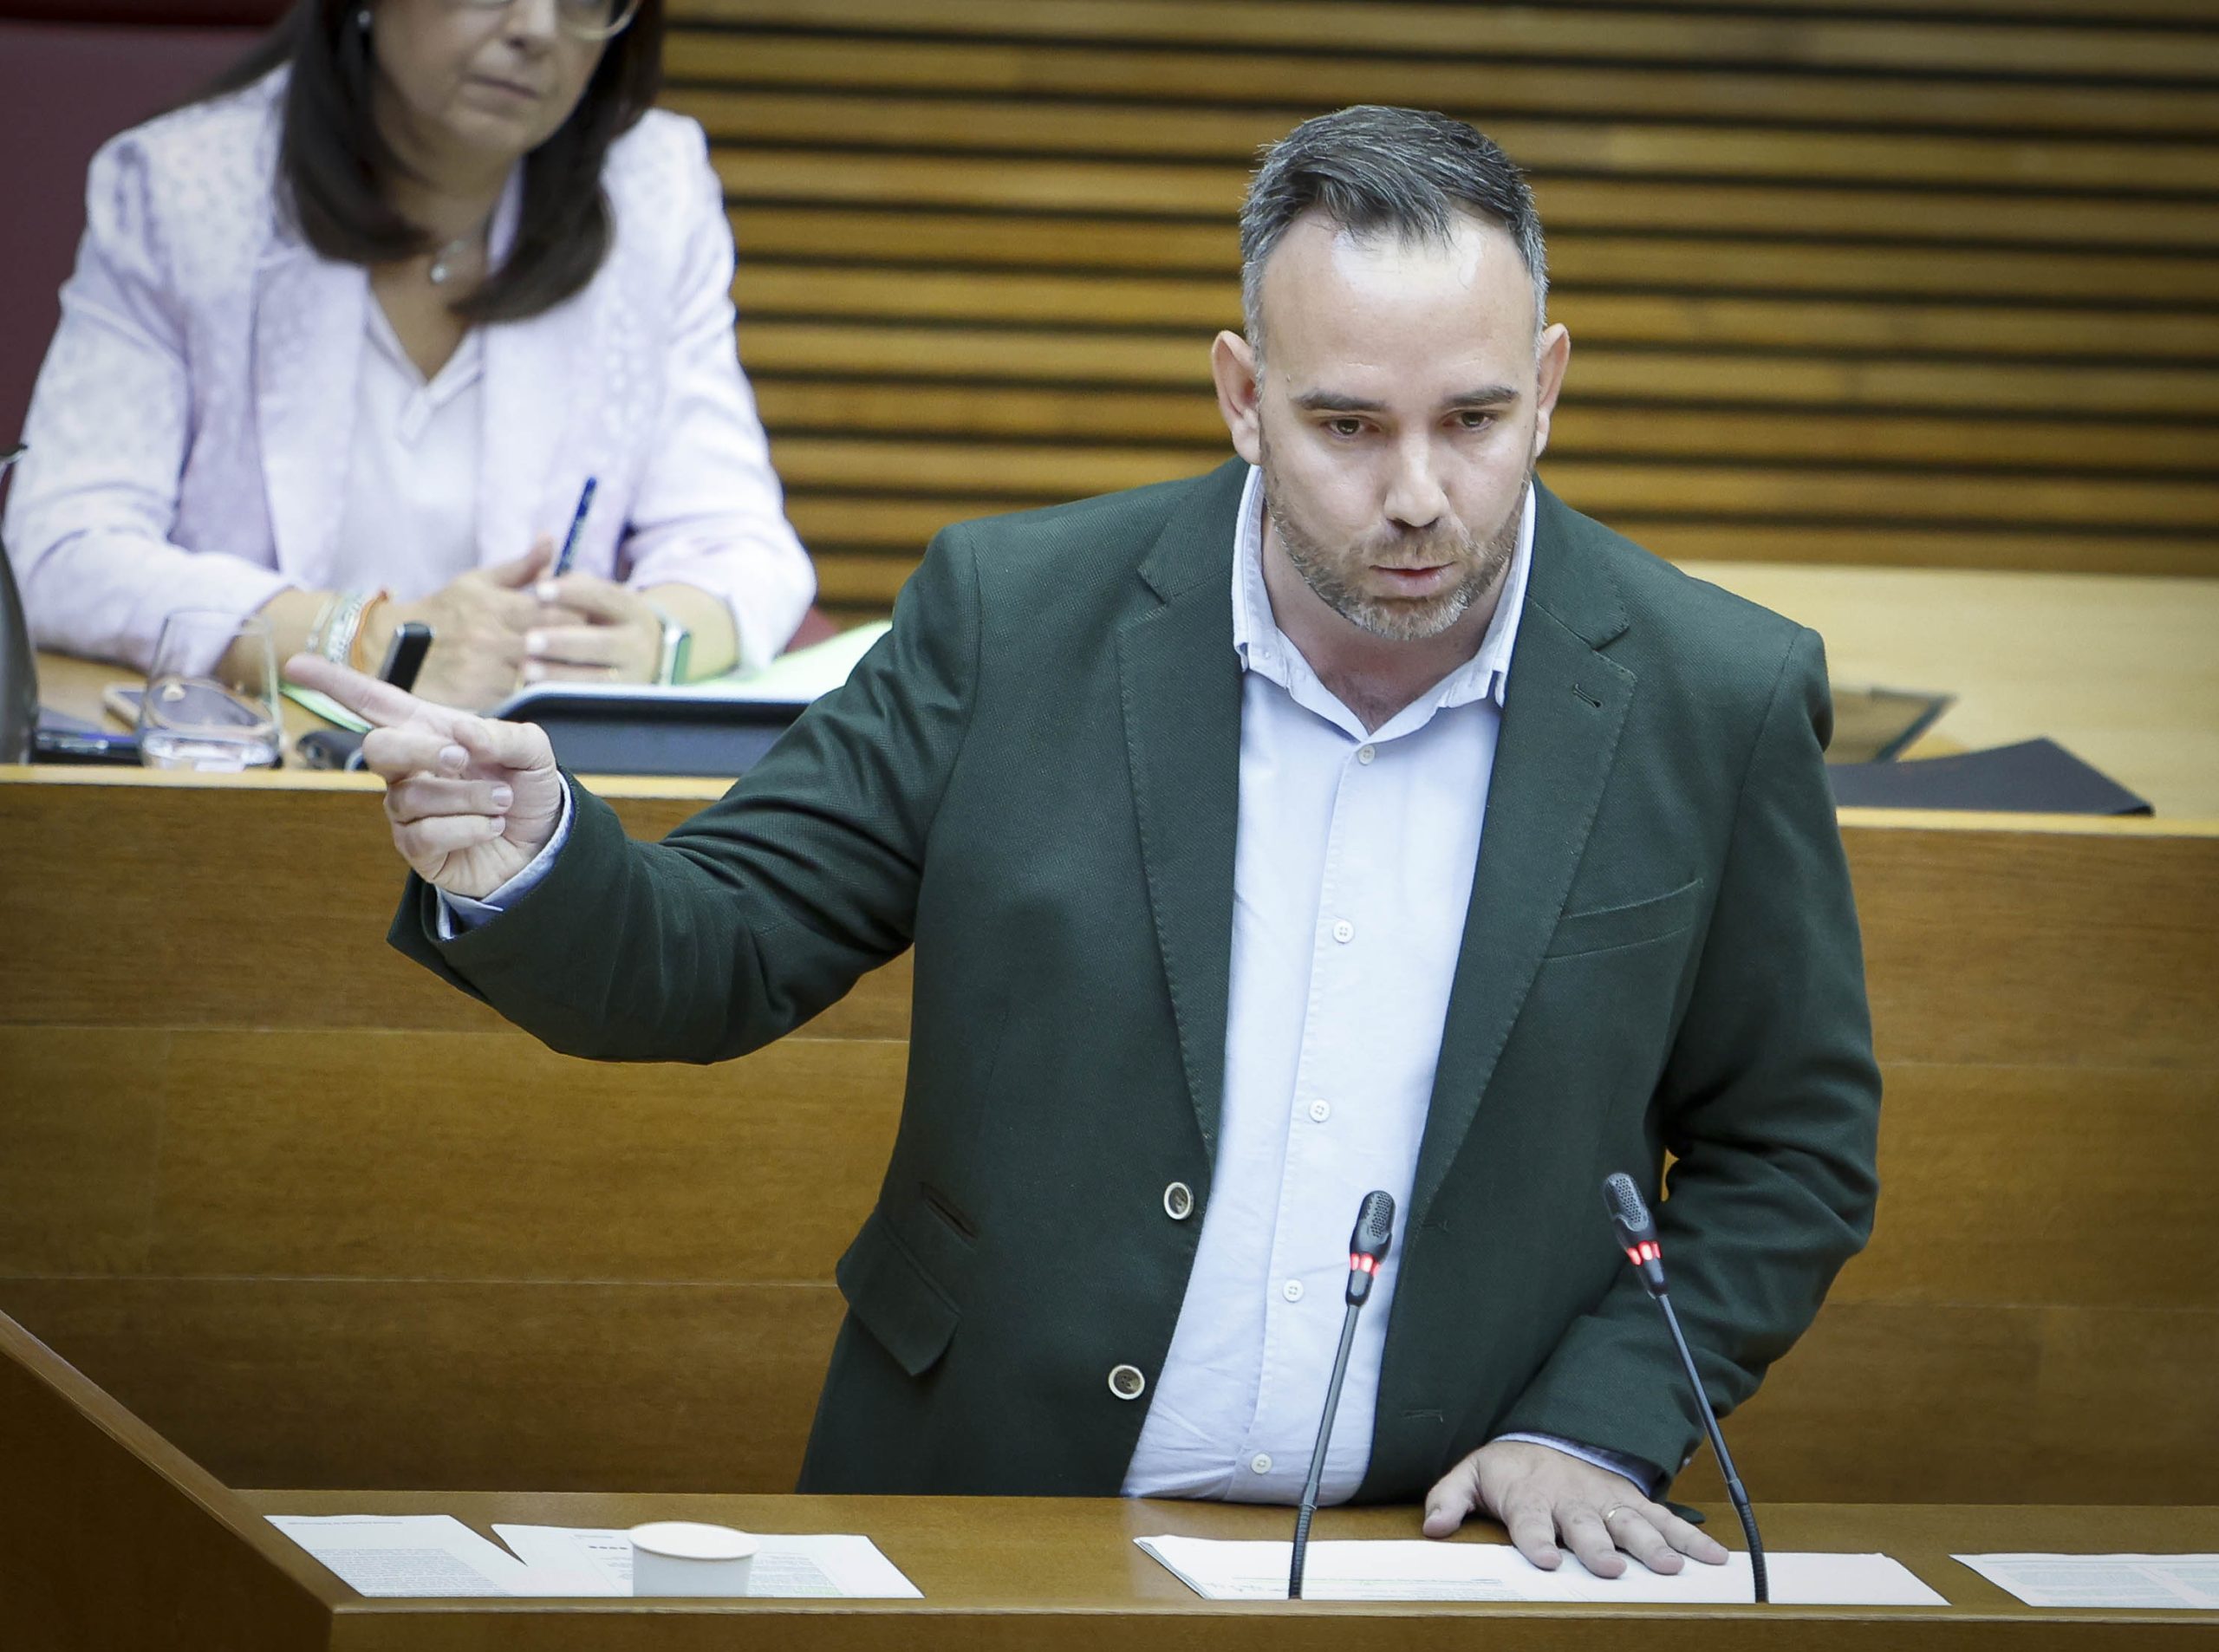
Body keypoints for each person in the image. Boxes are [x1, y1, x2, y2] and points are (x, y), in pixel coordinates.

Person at [291, 106, 1880, 1580]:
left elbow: (1791, 1149)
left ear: (1547, 386)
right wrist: (537, 856)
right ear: (1242, 398)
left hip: (1444, 1549)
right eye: (1345, 423)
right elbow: (721, 947)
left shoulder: (1714, 693)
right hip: (990, 1503)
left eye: (1472, 419)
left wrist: (1591, 1420)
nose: (1419, 497)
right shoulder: (1016, 615)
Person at [3, 0, 813, 707]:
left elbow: (745, 548)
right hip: (251, 775)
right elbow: (61, 550)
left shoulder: (649, 188)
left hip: (524, 800)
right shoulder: (184, 188)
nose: (535, 27)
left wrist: (652, 637)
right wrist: (366, 639)